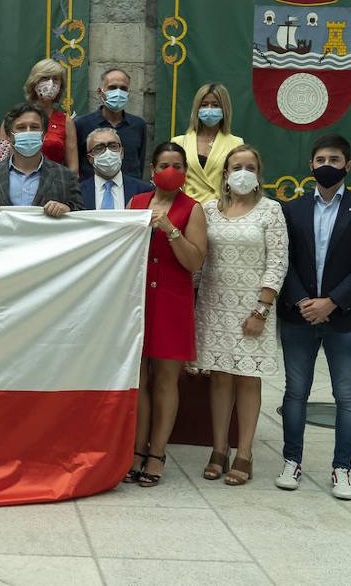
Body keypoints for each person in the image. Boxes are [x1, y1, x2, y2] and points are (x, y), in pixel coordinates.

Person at [276, 134, 351, 501]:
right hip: (299, 315)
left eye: (335, 159)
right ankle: (292, 461)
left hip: (346, 319)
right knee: (295, 393)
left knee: (348, 397)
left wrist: (332, 302)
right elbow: (282, 260)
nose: (327, 165)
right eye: (320, 158)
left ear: (347, 166)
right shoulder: (292, 210)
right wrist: (304, 300)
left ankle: (342, 468)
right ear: (310, 164)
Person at [195, 145, 288, 486]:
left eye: (250, 166)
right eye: (237, 166)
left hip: (253, 308)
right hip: (214, 304)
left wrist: (261, 309)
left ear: (258, 173)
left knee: (248, 379)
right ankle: (219, 449)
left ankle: (244, 453)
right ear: (225, 174)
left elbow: (278, 261)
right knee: (219, 377)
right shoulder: (208, 211)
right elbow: (199, 258)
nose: (243, 172)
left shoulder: (270, 211)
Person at [125, 142, 207, 487]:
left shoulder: (194, 209)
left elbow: (194, 261)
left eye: (177, 164)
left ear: (185, 172)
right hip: (138, 299)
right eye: (164, 164)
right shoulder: (136, 203)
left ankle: (157, 452)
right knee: (139, 378)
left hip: (172, 301)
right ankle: (136, 449)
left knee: (165, 380)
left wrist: (170, 230)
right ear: (152, 170)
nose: (170, 170)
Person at [0, 104, 82, 217]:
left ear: (44, 134)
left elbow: (83, 216)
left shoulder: (66, 176)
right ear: (9, 136)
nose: (28, 132)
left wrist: (67, 210)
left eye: (34, 127)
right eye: (21, 127)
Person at [171, 82, 244, 203]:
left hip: (220, 210)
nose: (209, 109)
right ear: (197, 109)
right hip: (187, 209)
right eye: (204, 105)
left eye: (215, 105)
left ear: (224, 109)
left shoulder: (236, 143)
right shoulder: (178, 142)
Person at [74, 67, 146, 179]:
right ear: (100, 92)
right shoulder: (82, 124)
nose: (118, 92)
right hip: (92, 192)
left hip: (130, 193)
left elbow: (140, 164)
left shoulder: (138, 125)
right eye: (112, 87)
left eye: (123, 88)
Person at [11, 58, 78, 173]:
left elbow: (73, 170)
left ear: (60, 87)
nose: (50, 83)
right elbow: (2, 161)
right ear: (34, 81)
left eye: (55, 79)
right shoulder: (15, 118)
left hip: (55, 184)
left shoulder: (66, 122)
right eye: (45, 78)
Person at [79, 126, 153, 210]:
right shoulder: (78, 193)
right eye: (99, 148)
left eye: (113, 146)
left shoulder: (144, 190)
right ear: (90, 158)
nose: (108, 152)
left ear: (122, 152)